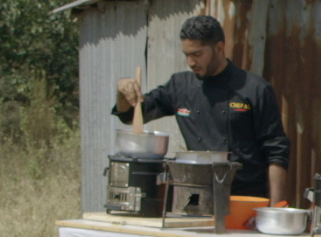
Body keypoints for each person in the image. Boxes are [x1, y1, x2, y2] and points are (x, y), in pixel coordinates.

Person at [113, 15, 290, 204]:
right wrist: (123, 92)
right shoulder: (179, 86)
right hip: (196, 197)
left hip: (245, 198)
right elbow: (132, 115)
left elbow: (276, 150)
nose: (190, 62)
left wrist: (275, 207)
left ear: (219, 48)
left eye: (197, 55)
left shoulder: (255, 89)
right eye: (186, 55)